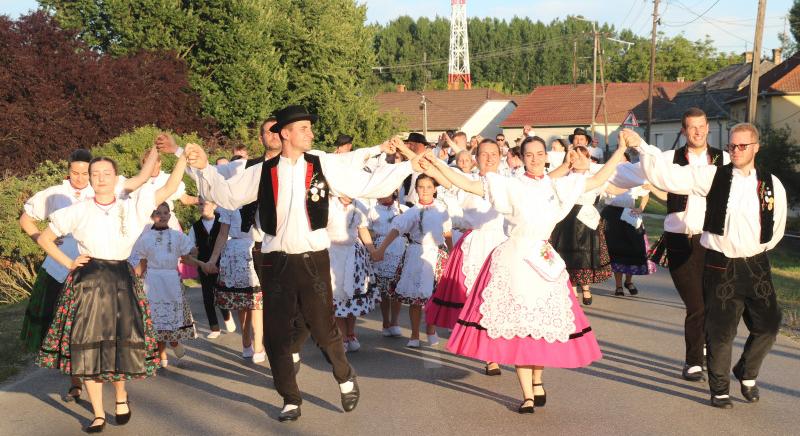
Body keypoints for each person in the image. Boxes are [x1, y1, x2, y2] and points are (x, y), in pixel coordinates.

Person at [184, 105, 414, 422]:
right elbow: (228, 195)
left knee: (321, 325)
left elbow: (363, 181)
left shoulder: (321, 162)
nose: (311, 132)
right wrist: (203, 168)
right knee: (276, 334)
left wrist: (407, 166)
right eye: (304, 128)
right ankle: (290, 398)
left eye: (309, 127)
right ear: (286, 133)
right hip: (274, 260)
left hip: (313, 259)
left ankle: (345, 375)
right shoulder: (262, 171)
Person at [421, 133, 629, 414]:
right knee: (518, 326)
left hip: (544, 260)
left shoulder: (557, 186)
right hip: (515, 260)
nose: (534, 159)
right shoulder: (508, 184)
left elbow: (595, 180)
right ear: (521, 157)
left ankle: (538, 380)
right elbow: (467, 184)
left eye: (539, 154)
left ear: (546, 157)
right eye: (528, 155)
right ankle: (527, 394)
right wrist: (437, 163)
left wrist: (621, 150)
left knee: (540, 325)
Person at [626, 124, 786, 408]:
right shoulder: (713, 175)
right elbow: (671, 176)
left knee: (769, 325)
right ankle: (720, 388)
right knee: (720, 330)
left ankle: (747, 372)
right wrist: (642, 146)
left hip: (756, 263)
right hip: (720, 264)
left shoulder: (772, 183)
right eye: (732, 146)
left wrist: (757, 249)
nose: (735, 151)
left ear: (756, 147)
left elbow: (777, 224)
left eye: (742, 146)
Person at [35, 147, 187, 432]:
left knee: (119, 343)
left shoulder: (131, 206)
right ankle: (97, 413)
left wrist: (181, 157)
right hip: (88, 282)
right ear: (90, 179)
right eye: (96, 174)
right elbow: (45, 237)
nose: (101, 178)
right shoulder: (76, 210)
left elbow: (167, 187)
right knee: (86, 347)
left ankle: (120, 396)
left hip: (120, 279)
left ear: (116, 178)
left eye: (106, 173)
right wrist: (69, 262)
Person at [609, 107, 730, 382]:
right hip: (679, 239)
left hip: (714, 240)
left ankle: (708, 354)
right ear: (683, 130)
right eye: (691, 127)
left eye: (701, 126)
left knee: (712, 302)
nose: (697, 132)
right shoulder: (666, 159)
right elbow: (629, 173)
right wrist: (592, 174)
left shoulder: (723, 160)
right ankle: (693, 362)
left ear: (708, 127)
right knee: (696, 303)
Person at [425, 139, 509, 376]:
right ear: (476, 158)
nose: (490, 158)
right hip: (475, 246)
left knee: (499, 300)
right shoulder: (467, 183)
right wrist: (429, 161)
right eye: (484, 154)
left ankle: (496, 350)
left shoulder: (510, 183)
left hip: (503, 244)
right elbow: (442, 177)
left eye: (494, 154)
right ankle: (486, 351)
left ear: (500, 156)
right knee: (475, 300)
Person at [373, 174, 453, 348]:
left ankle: (431, 330)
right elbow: (396, 229)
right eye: (421, 187)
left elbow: (447, 234)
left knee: (433, 298)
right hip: (416, 254)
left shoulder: (441, 209)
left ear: (434, 189)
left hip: (437, 255)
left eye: (428, 187)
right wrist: (381, 249)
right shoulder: (412, 211)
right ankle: (415, 334)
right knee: (415, 298)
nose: (424, 191)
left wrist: (453, 253)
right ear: (416, 189)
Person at [130, 202, 198, 368]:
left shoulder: (177, 236)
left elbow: (189, 252)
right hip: (153, 280)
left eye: (165, 212)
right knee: (156, 319)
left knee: (171, 316)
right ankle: (161, 354)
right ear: (153, 216)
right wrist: (131, 278)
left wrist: (198, 260)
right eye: (158, 213)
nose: (161, 216)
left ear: (169, 215)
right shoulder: (145, 238)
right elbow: (142, 263)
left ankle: (174, 342)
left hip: (170, 280)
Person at [550, 145, 612, 305]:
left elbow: (611, 186)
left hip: (588, 220)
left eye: (584, 157)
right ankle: (572, 291)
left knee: (585, 254)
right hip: (567, 219)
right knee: (568, 255)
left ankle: (585, 288)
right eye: (575, 157)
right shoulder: (563, 179)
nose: (579, 160)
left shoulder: (594, 178)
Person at [209, 206, 266, 362]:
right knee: (244, 302)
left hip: (258, 249)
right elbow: (222, 233)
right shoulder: (229, 203)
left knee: (256, 301)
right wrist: (213, 259)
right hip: (236, 253)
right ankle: (247, 341)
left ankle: (257, 345)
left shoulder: (258, 198)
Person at [327, 195, 378, 352]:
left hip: (354, 255)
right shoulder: (328, 203)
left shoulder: (360, 205)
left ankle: (350, 333)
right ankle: (342, 336)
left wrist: (373, 250)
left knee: (353, 296)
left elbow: (362, 229)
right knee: (336, 295)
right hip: (332, 253)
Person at [189, 199, 235, 339]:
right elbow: (189, 244)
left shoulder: (223, 223)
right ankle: (214, 327)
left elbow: (229, 240)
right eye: (200, 204)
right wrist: (192, 250)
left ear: (215, 205)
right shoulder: (195, 226)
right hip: (204, 265)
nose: (203, 207)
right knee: (207, 296)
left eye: (206, 204)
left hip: (221, 264)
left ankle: (227, 316)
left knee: (220, 293)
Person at [601, 182, 657, 296]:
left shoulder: (632, 178)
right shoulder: (610, 177)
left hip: (629, 215)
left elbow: (645, 194)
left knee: (632, 249)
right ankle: (618, 286)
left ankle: (628, 281)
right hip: (612, 216)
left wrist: (640, 208)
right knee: (616, 251)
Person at [366, 193, 408, 337]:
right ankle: (385, 321)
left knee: (397, 288)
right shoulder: (371, 210)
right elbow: (366, 230)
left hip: (399, 249)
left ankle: (395, 321)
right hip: (381, 250)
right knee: (383, 289)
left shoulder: (403, 209)